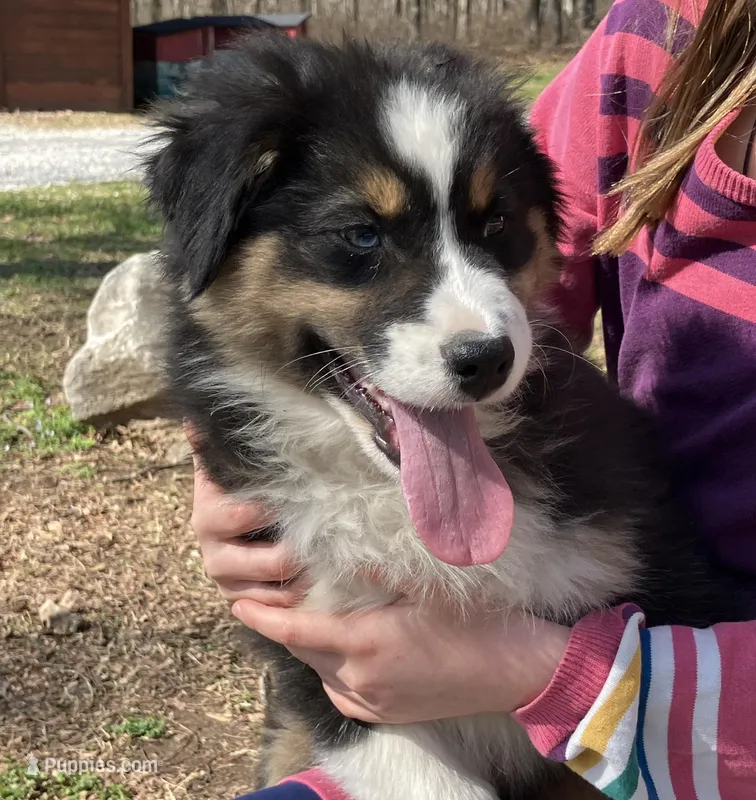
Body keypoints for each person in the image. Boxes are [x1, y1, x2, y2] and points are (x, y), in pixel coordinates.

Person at [190, 0, 756, 796]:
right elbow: (341, 693)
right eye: (360, 236)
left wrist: (553, 673)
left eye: (489, 232)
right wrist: (229, 487)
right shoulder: (660, 36)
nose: (478, 323)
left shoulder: (596, 496)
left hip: (671, 733)